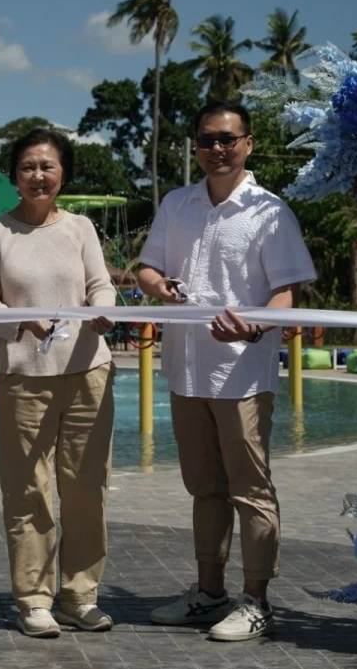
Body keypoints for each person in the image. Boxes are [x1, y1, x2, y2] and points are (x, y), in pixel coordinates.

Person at [140, 101, 315, 642]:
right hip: (186, 370)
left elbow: (286, 293)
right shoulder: (176, 203)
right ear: (195, 146)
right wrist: (157, 285)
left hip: (241, 373)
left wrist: (255, 329)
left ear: (248, 144)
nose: (217, 149)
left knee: (250, 490)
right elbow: (148, 267)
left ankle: (257, 600)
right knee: (204, 488)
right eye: (206, 140)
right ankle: (209, 593)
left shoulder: (269, 211)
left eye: (227, 139)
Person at [0, 127, 117, 639]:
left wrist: (103, 313)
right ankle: (34, 599)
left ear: (63, 175)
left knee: (85, 490)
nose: (38, 175)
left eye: (48, 166)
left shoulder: (80, 228)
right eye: (29, 167)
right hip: (23, 377)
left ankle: (80, 595)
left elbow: (101, 285)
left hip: (87, 372)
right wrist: (21, 319)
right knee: (28, 490)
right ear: (15, 176)